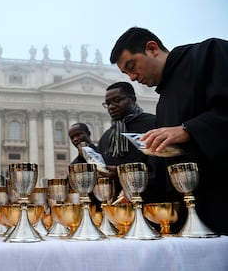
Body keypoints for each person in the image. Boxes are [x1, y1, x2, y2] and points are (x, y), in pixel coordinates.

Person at [110, 26, 228, 235]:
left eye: (132, 66)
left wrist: (188, 130)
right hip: (195, 216)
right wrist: (136, 190)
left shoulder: (209, 53)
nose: (133, 78)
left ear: (153, 48)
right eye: (126, 73)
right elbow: (164, 166)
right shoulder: (162, 104)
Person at [97, 82, 180, 210]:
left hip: (154, 204)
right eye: (107, 104)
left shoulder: (154, 124)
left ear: (132, 99)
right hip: (119, 208)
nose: (111, 107)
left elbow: (162, 168)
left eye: (117, 100)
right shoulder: (106, 137)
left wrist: (121, 174)